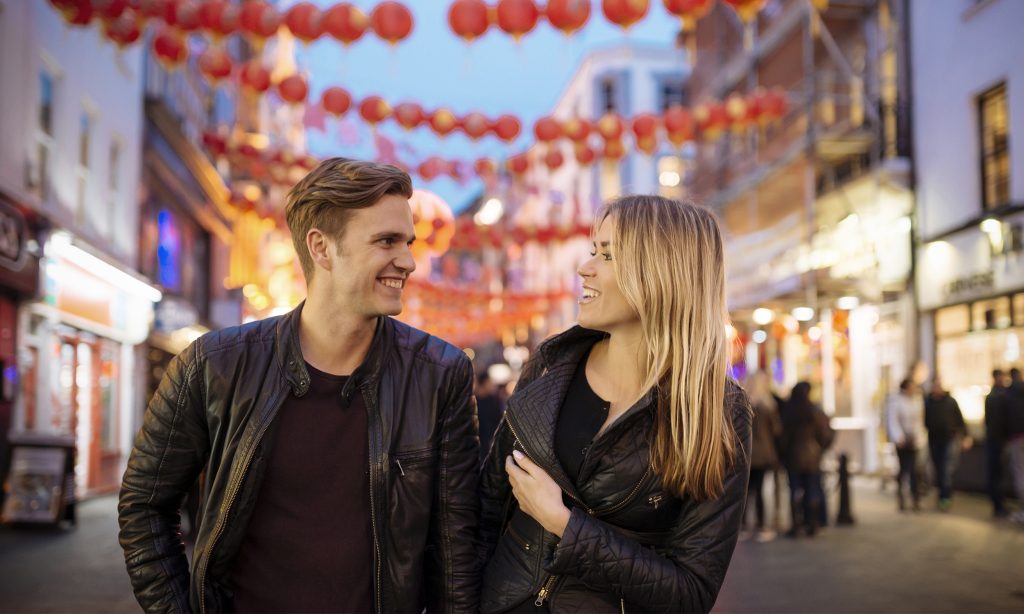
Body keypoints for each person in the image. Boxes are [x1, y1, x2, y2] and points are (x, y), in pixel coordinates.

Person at [118, 158, 480, 613]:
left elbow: (456, 555)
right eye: (387, 241)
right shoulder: (215, 365)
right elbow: (144, 506)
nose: (408, 261)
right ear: (321, 248)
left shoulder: (439, 374)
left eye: (408, 242)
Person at [478, 196, 752, 613]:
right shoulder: (552, 367)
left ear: (662, 274)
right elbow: (484, 512)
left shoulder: (716, 409)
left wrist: (565, 525)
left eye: (607, 255)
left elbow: (692, 592)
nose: (584, 268)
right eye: (593, 250)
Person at [779, 382, 834, 537]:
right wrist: (820, 449)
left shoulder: (789, 412)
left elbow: (783, 438)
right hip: (812, 456)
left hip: (793, 457)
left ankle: (796, 524)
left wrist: (782, 454)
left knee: (795, 490)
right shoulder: (814, 411)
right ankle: (812, 523)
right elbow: (824, 435)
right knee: (812, 489)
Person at [744, 371, 782, 542]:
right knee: (759, 491)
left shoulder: (743, 404)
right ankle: (761, 525)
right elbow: (777, 430)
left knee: (746, 492)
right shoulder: (768, 406)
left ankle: (744, 526)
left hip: (747, 454)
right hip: (764, 454)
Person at [924, 378, 968, 511]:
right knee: (938, 469)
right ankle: (942, 495)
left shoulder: (950, 401)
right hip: (934, 440)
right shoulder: (927, 402)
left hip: (949, 439)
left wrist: (966, 436)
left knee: (946, 469)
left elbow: (960, 419)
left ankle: (945, 497)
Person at [886, 378, 926, 512]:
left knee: (915, 470)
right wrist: (899, 438)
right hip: (902, 441)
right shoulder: (896, 401)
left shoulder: (917, 400)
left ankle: (915, 498)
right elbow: (893, 421)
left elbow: (919, 420)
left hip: (914, 439)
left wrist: (919, 436)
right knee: (903, 469)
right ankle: (901, 497)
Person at [984, 369, 1010, 517]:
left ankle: (998, 503)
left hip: (995, 439)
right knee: (997, 473)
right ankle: (998, 504)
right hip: (997, 440)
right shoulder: (998, 396)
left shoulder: (994, 396)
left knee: (996, 473)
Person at [477, 371, 506, 464]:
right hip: (480, 443)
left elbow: (499, 419)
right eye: (489, 382)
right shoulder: (474, 401)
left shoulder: (493, 399)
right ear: (484, 383)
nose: (491, 385)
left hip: (493, 440)